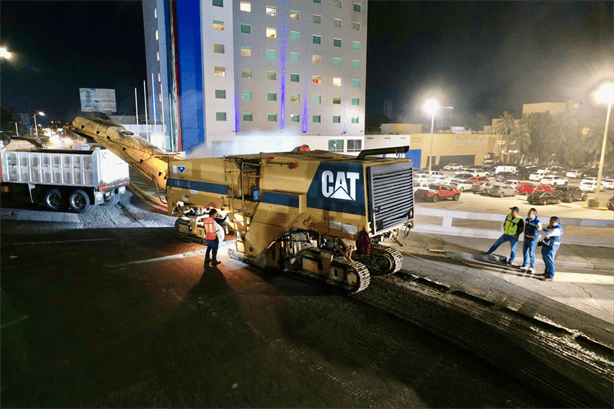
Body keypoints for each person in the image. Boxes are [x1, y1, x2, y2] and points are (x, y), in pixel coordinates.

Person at [536, 216, 563, 281]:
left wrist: (543, 233)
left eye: (552, 222)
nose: (550, 223)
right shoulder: (551, 227)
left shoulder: (557, 229)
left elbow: (547, 233)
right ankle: (546, 273)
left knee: (549, 260)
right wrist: (545, 233)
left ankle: (550, 276)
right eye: (550, 221)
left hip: (552, 246)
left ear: (557, 223)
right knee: (545, 259)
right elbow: (545, 231)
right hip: (547, 244)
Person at [520, 208, 542, 274]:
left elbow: (540, 232)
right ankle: (525, 264)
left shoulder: (537, 222)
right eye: (528, 212)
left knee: (531, 253)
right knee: (524, 251)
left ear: (534, 214)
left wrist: (537, 239)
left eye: (530, 213)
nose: (528, 214)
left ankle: (532, 267)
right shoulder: (527, 220)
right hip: (526, 238)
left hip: (532, 240)